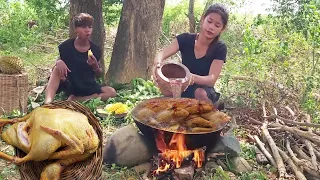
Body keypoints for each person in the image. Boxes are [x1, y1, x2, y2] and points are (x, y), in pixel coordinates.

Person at [153, 3, 229, 107]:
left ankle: (212, 111)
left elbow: (211, 80)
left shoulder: (220, 48)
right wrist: (157, 65)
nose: (211, 27)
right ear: (203, 19)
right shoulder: (185, 39)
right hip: (183, 85)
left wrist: (191, 77)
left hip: (203, 89)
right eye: (209, 21)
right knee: (165, 88)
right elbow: (161, 54)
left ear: (222, 29)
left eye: (217, 25)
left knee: (200, 93)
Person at [44, 13, 116, 104]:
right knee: (57, 68)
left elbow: (99, 75)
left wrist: (95, 66)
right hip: (71, 84)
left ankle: (77, 99)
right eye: (83, 27)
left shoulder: (95, 49)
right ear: (76, 29)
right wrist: (59, 62)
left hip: (88, 85)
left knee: (111, 92)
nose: (87, 30)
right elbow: (57, 69)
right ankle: (47, 102)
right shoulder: (66, 47)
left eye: (89, 27)